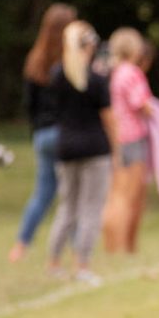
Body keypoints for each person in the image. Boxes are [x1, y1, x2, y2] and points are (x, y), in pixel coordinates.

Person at [47, 21, 114, 283]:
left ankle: (53, 261)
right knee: (90, 208)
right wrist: (117, 149)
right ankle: (82, 264)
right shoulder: (96, 79)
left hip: (65, 146)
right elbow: (108, 117)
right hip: (94, 147)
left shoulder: (57, 75)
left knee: (67, 207)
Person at [10, 3, 78, 262]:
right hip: (66, 134)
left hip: (42, 135)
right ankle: (76, 250)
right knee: (72, 195)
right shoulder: (69, 63)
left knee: (42, 194)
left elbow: (29, 105)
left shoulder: (34, 59)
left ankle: (20, 245)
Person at [101, 27, 152, 254]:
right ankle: (124, 248)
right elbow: (142, 104)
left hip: (113, 138)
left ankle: (110, 247)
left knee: (113, 196)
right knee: (128, 198)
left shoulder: (108, 72)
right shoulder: (131, 73)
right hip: (132, 138)